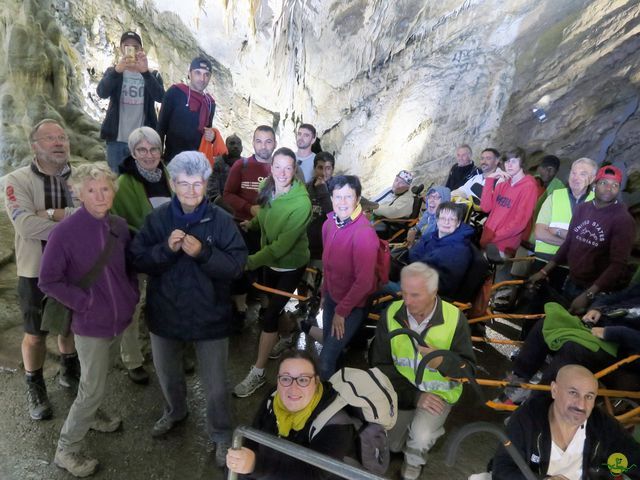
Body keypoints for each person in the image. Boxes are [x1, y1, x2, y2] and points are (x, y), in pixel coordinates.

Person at [130, 151, 246, 465]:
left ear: (206, 182)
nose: (191, 191)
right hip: (166, 312)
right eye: (183, 183)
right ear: (172, 183)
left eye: (197, 184)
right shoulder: (159, 219)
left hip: (210, 315)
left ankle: (222, 434)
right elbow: (138, 258)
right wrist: (165, 249)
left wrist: (205, 253)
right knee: (168, 375)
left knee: (216, 385)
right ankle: (175, 412)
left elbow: (237, 265)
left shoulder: (221, 220)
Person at [39, 163, 139, 477]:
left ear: (114, 190)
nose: (99, 196)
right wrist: (86, 303)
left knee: (95, 381)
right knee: (92, 389)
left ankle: (92, 415)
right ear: (78, 193)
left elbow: (130, 266)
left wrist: (131, 295)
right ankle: (66, 450)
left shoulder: (119, 226)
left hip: (118, 318)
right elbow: (48, 280)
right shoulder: (64, 232)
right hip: (90, 324)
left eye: (105, 188)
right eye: (91, 190)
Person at [370, 263, 476, 480]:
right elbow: (379, 364)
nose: (407, 302)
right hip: (401, 390)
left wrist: (442, 362)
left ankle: (414, 462)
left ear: (433, 292)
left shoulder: (455, 319)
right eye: (404, 293)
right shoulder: (391, 314)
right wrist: (417, 396)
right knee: (390, 443)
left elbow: (468, 371)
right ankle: (402, 436)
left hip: (438, 395)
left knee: (421, 436)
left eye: (415, 295)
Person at [3, 119, 80, 420]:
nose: (59, 142)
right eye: (50, 138)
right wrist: (74, 224)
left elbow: (95, 214)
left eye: (62, 137)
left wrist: (51, 214)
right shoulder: (16, 180)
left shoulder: (79, 176)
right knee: (35, 334)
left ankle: (69, 368)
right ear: (34, 146)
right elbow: (24, 224)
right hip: (35, 270)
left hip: (74, 268)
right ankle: (35, 383)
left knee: (69, 325)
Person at [233, 147, 312, 398]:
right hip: (270, 261)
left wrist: (250, 261)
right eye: (277, 166)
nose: (282, 172)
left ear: (295, 170)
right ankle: (289, 332)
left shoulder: (302, 203)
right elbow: (265, 213)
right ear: (271, 167)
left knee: (268, 317)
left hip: (290, 263)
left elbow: (282, 246)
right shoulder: (267, 188)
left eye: (288, 168)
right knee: (272, 309)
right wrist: (252, 223)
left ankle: (257, 372)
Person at [492, 365, 640, 480]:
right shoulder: (528, 418)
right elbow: (502, 470)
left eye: (589, 396)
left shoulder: (602, 425)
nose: (581, 405)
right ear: (554, 390)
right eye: (573, 393)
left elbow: (633, 459)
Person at [226, 349, 356, 479]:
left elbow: (313, 475)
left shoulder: (336, 425)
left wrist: (256, 465)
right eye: (286, 378)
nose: (293, 389)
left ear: (316, 382)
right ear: (278, 380)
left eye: (303, 380)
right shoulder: (274, 398)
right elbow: (253, 440)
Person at [110, 126, 173, 384]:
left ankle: (170, 352)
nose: (149, 155)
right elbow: (118, 223)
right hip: (138, 254)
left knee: (169, 302)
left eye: (154, 149)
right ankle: (132, 359)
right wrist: (148, 241)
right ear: (133, 153)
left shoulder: (167, 175)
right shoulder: (124, 183)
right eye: (142, 150)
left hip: (169, 252)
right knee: (133, 306)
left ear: (161, 150)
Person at [529, 165, 635, 315]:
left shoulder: (623, 220)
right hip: (572, 280)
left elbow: (618, 264)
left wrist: (588, 295)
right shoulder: (582, 209)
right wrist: (544, 271)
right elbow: (569, 243)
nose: (609, 188)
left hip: (596, 290)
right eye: (604, 183)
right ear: (594, 185)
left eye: (615, 185)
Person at [319, 175, 379, 380]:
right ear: (331, 197)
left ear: (358, 198)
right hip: (333, 298)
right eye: (337, 196)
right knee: (330, 346)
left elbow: (364, 282)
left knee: (326, 357)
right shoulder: (329, 224)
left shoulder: (364, 234)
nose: (342, 202)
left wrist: (341, 312)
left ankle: (324, 400)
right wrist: (324, 292)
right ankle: (337, 389)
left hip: (352, 305)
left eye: (348, 197)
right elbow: (327, 264)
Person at [96, 31, 165, 172]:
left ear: (140, 50)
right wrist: (117, 71)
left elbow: (161, 97)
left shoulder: (152, 75)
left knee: (141, 181)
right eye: (127, 46)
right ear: (121, 49)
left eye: (135, 46)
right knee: (115, 181)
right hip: (116, 139)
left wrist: (145, 72)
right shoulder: (114, 72)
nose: (131, 49)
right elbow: (102, 92)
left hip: (143, 142)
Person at [479, 147, 539, 257]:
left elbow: (519, 223)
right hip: (488, 238)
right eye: (507, 161)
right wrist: (489, 180)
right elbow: (485, 207)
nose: (509, 165)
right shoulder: (503, 183)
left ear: (522, 163)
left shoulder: (529, 187)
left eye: (514, 161)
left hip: (503, 244)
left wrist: (494, 237)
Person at [407, 202, 474, 298]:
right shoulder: (431, 236)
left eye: (452, 219)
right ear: (437, 220)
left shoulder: (458, 251)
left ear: (458, 223)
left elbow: (444, 286)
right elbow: (414, 252)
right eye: (443, 218)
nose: (446, 222)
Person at [157, 57, 216, 163]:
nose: (202, 79)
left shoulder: (210, 104)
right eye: (198, 73)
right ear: (189, 74)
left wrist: (213, 137)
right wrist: (157, 156)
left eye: (206, 74)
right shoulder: (175, 93)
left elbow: (207, 134)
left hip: (196, 163)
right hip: (172, 160)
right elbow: (161, 126)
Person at [223, 125, 275, 222]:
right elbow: (227, 195)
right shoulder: (241, 165)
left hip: (272, 228)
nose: (263, 146)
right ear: (253, 143)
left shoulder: (282, 169)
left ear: (275, 144)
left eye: (268, 142)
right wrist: (249, 208)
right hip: (243, 226)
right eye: (259, 141)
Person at [306, 152, 335, 262]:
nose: (323, 172)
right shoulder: (306, 188)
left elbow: (334, 217)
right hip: (306, 245)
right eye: (320, 168)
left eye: (327, 168)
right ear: (314, 168)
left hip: (328, 247)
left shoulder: (339, 190)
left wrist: (323, 190)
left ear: (332, 170)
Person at [206, 133, 243, 202]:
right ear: (225, 146)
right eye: (232, 143)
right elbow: (212, 194)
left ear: (242, 148)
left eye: (238, 144)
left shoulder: (247, 164)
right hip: (221, 207)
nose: (236, 146)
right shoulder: (216, 163)